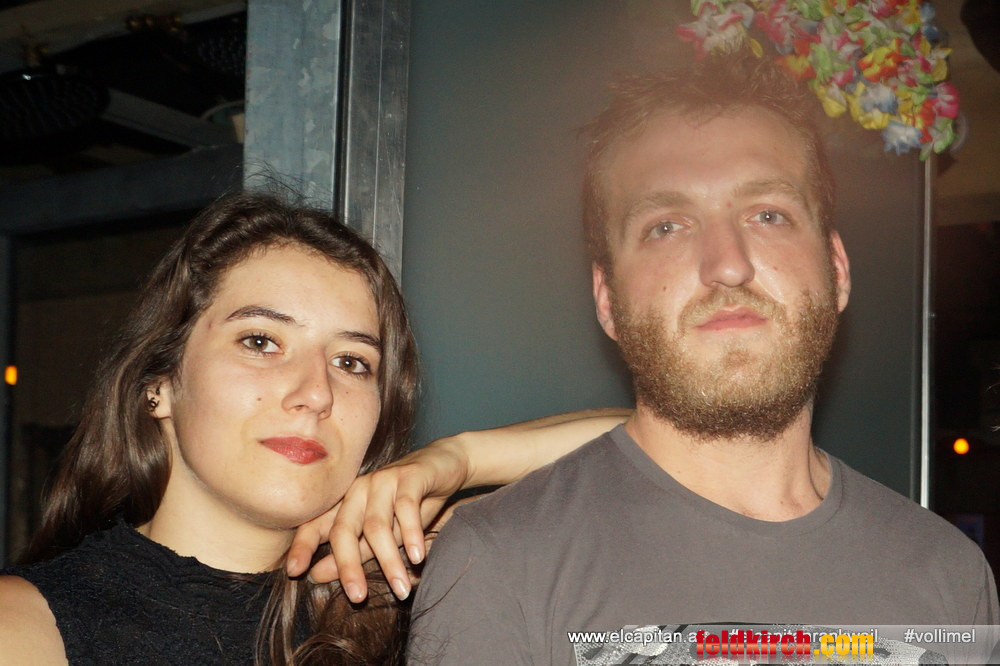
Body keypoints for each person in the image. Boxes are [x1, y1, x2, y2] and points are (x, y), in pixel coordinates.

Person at [406, 50, 1000, 664]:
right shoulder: (498, 563)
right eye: (667, 226)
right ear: (608, 301)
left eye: (768, 215)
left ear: (838, 269)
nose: (728, 264)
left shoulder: (949, 574)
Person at [0, 191, 626, 665]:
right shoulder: (28, 626)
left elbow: (666, 445)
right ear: (158, 385)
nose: (316, 394)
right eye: (261, 341)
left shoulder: (416, 596)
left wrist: (458, 459)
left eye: (351, 362)